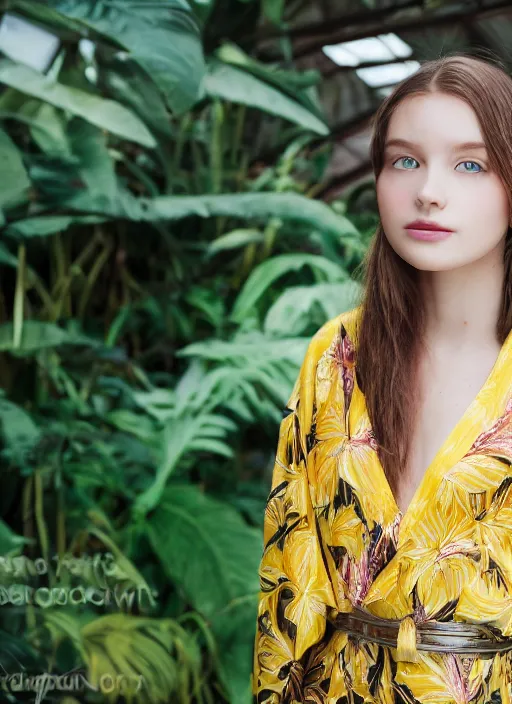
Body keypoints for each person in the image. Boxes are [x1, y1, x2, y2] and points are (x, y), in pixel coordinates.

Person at [251, 53, 512, 704]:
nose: (428, 190)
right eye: (404, 160)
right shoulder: (337, 357)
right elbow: (290, 576)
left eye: (470, 164)